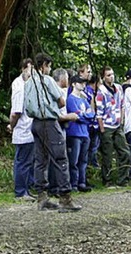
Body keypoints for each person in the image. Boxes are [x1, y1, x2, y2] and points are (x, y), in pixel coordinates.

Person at [24, 53, 81, 212]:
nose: (49, 69)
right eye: (48, 66)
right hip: (49, 122)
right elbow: (61, 100)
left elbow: (26, 106)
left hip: (35, 123)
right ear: (43, 66)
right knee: (60, 158)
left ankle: (42, 198)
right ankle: (65, 198)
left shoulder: (28, 83)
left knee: (40, 160)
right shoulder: (46, 80)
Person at [96, 66, 131, 187]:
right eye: (108, 75)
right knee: (107, 155)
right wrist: (102, 128)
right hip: (107, 125)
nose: (111, 77)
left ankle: (123, 179)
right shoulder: (101, 91)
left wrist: (121, 121)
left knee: (125, 152)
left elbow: (121, 105)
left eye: (112, 74)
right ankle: (107, 180)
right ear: (104, 77)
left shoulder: (118, 88)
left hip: (117, 124)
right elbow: (99, 112)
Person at [8, 58, 35, 200]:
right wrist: (11, 125)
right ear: (24, 68)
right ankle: (20, 192)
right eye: (30, 69)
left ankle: (26, 189)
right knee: (22, 162)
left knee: (28, 162)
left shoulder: (28, 84)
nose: (32, 73)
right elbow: (16, 112)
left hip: (30, 130)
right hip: (22, 130)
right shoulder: (19, 86)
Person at [65, 73, 95, 193]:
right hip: (74, 133)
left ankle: (81, 182)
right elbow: (76, 116)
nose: (83, 85)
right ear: (73, 84)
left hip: (84, 133)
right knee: (74, 160)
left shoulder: (83, 99)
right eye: (80, 83)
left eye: (84, 83)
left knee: (83, 160)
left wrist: (85, 115)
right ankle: (73, 184)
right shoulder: (70, 99)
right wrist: (85, 116)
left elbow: (91, 113)